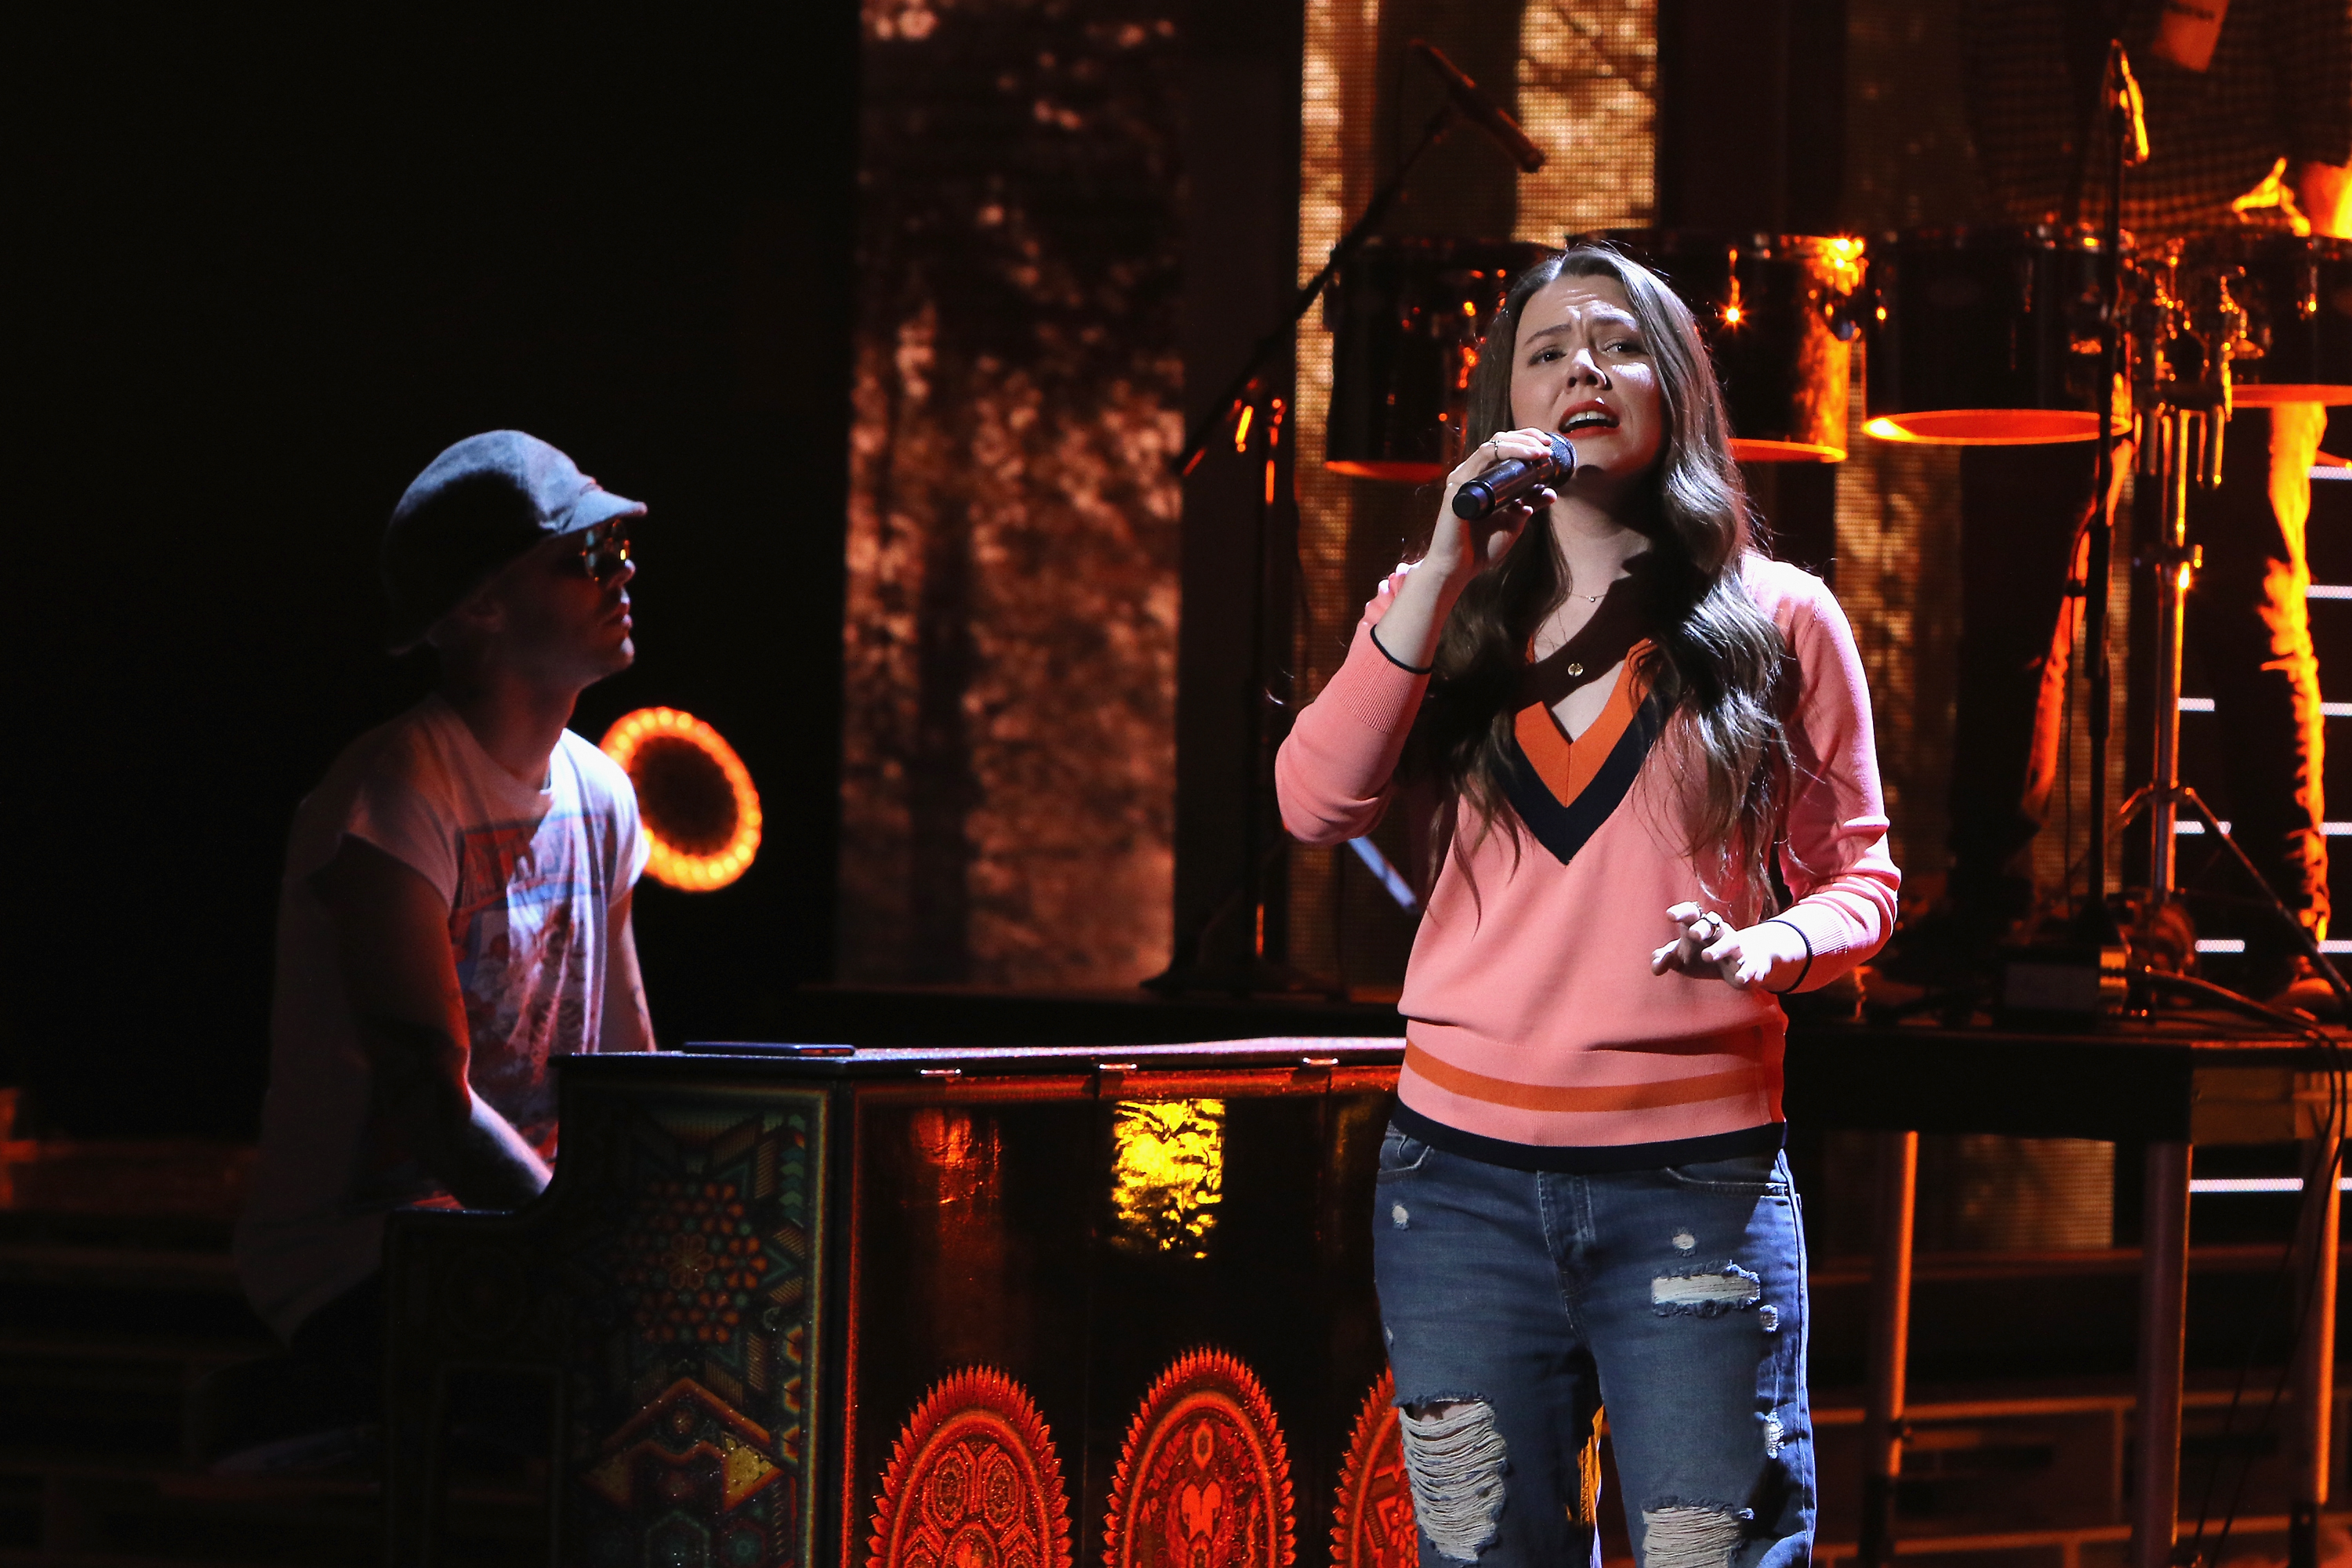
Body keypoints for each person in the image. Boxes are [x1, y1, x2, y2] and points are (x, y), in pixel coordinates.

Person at [1276, 248, 1899, 1564]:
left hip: (1696, 1179)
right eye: (1546, 352)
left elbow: (1864, 880)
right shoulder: (1443, 610)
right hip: (1456, 1184)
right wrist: (1444, 564)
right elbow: (1314, 806)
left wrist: (1769, 945)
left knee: (1709, 1550)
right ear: (1505, 401)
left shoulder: (1780, 617)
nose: (1581, 372)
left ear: (1674, 388)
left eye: (1616, 346)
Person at [230, 430, 655, 1449]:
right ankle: (304, 1417)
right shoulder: (394, 798)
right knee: (635, 1405)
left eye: (620, 551)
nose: (623, 571)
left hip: (524, 1243)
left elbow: (630, 1066)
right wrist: (590, 1248)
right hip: (367, 1259)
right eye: (585, 555)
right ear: (480, 607)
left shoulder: (604, 795)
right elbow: (432, 1102)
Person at [1930, 0, 2350, 993]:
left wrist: (2300, 283)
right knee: (2015, 603)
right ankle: (1988, 898)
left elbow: (2331, 110)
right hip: (2059, 255)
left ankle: (2286, 927)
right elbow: (1997, 90)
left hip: (2239, 263)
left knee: (2251, 594)